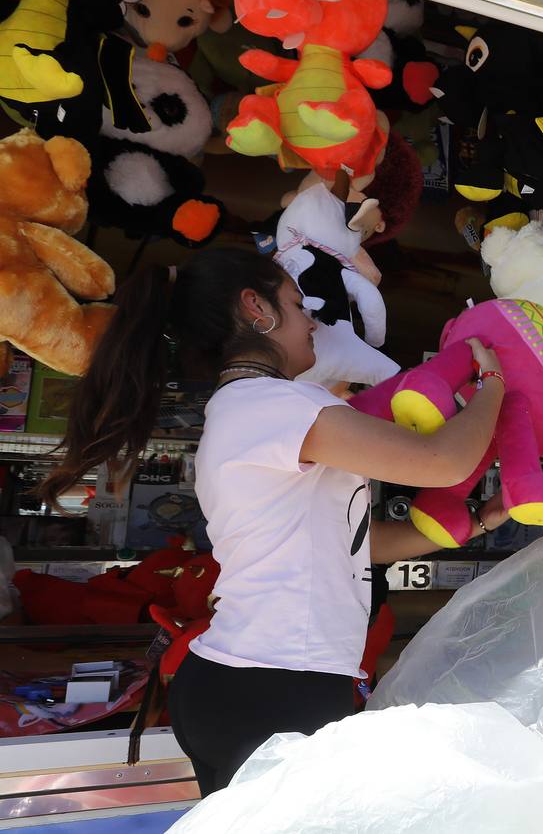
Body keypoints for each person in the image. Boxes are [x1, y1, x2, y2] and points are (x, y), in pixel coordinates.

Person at [39, 249, 512, 795]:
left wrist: (476, 521)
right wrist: (495, 380)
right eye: (296, 302)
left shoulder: (250, 410)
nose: (312, 319)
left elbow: (361, 546)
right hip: (275, 688)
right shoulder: (274, 406)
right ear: (255, 307)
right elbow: (443, 461)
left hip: (252, 686)